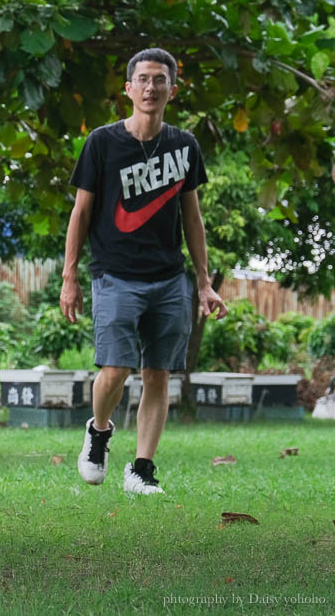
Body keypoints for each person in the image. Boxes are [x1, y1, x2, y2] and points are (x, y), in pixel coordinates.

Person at [60, 48, 228, 496]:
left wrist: (204, 281)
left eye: (160, 80)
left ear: (172, 89)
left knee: (159, 373)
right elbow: (80, 213)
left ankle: (141, 469)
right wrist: (69, 277)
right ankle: (98, 433)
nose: (151, 87)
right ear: (129, 89)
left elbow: (192, 217)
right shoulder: (102, 142)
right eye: (143, 79)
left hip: (170, 277)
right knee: (115, 368)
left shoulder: (184, 145)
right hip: (115, 274)